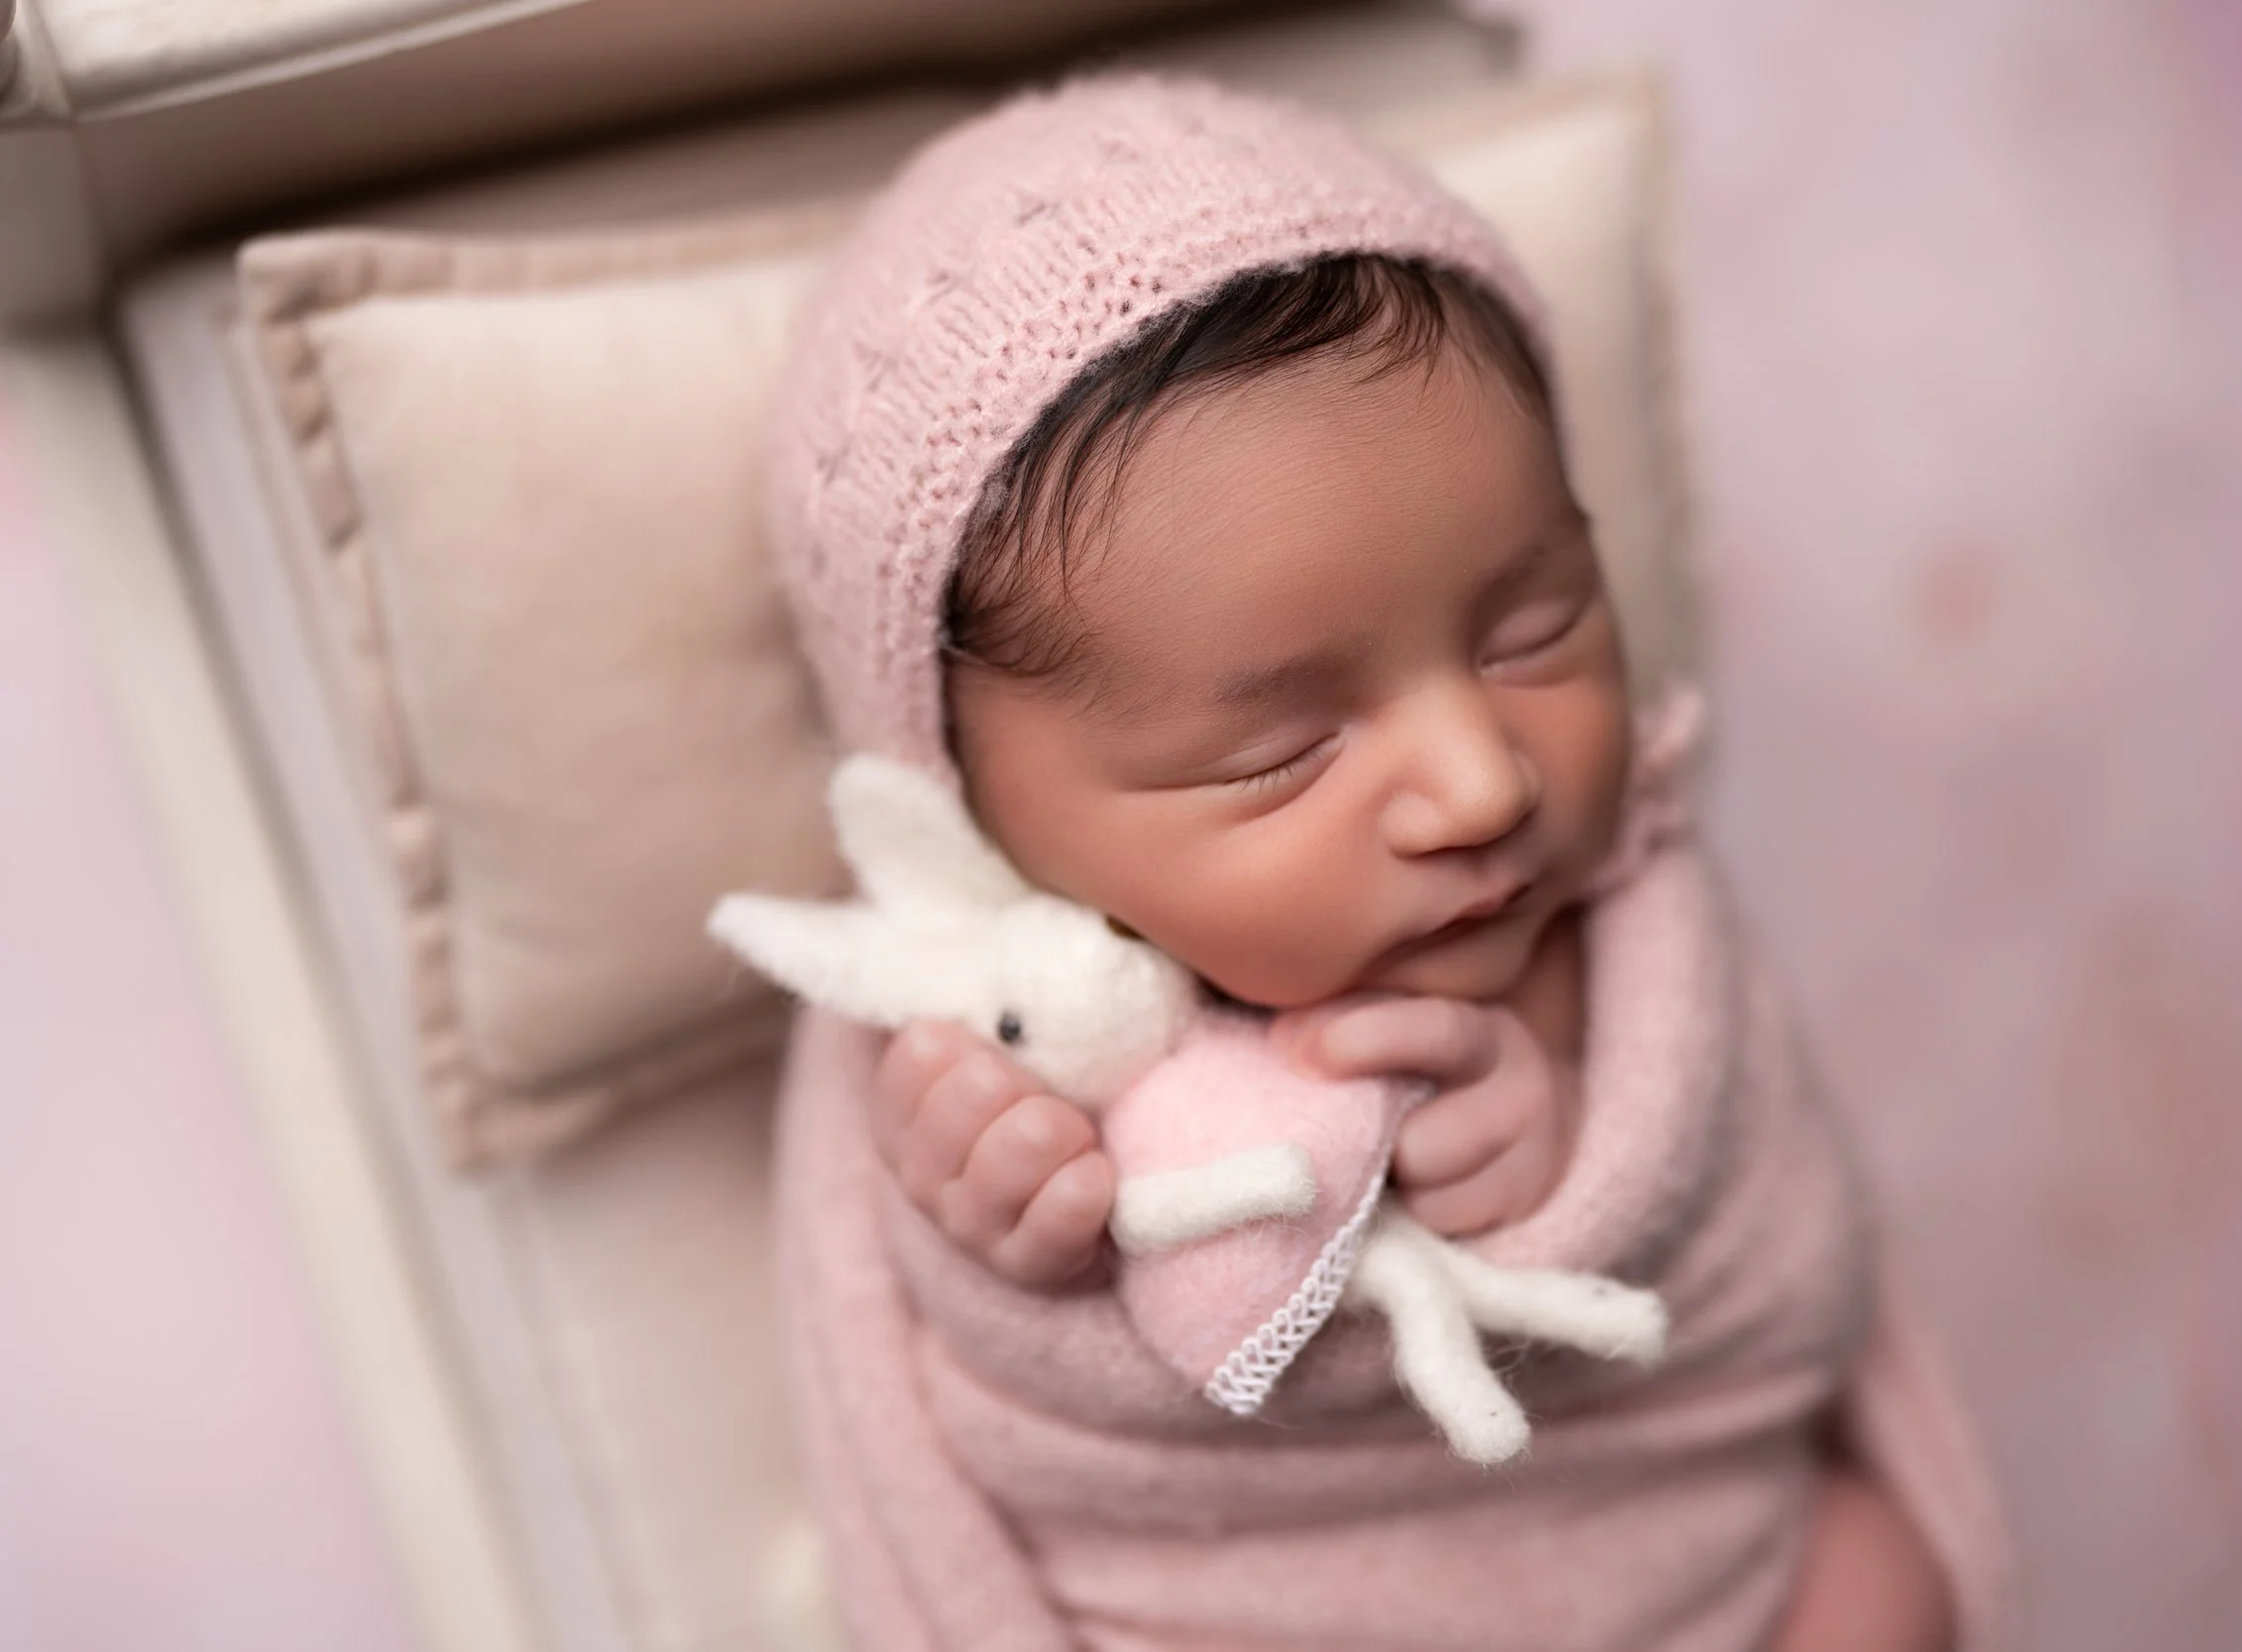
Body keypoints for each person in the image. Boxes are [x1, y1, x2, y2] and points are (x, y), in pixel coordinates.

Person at [766, 72, 2008, 1652]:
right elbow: (980, 1397)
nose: (1482, 782)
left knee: (1874, 1570)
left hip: (1687, 1566)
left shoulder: (1623, 911)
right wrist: (1013, 1235)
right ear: (972, 823)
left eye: (1534, 629)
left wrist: (1579, 1172)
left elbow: (1786, 1269)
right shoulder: (977, 1031)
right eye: (1283, 752)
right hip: (1249, 1598)